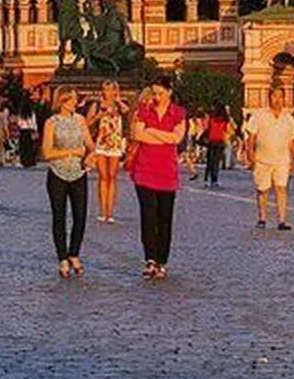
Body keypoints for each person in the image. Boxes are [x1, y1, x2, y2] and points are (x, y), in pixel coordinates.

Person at [129, 74, 187, 278]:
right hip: (144, 170)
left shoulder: (178, 112)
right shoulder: (144, 110)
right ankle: (150, 259)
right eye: (154, 93)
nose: (157, 96)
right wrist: (164, 136)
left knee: (165, 218)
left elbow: (177, 138)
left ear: (170, 92)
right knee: (148, 216)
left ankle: (162, 260)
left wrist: (152, 131)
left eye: (161, 93)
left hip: (167, 173)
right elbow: (137, 134)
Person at [39, 86, 90, 278]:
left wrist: (91, 153)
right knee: (59, 216)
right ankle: (62, 258)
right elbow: (47, 152)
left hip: (79, 172)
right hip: (57, 173)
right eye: (71, 100)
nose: (75, 103)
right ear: (62, 101)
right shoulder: (51, 122)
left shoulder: (80, 120)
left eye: (75, 99)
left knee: (80, 215)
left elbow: (89, 144)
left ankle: (74, 253)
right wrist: (70, 152)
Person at [244, 85, 294, 230]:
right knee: (262, 189)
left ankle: (282, 220)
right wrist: (250, 153)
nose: (277, 100)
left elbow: (291, 141)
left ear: (284, 99)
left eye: (280, 97)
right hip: (262, 159)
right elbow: (251, 137)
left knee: (281, 188)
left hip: (282, 159)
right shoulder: (259, 115)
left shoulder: (288, 118)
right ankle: (262, 218)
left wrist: (292, 159)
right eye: (274, 96)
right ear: (269, 97)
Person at [91, 80, 128, 224]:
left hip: (115, 142)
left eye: (110, 89)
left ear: (115, 90)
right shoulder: (97, 104)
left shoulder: (120, 105)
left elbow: (126, 111)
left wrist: (118, 100)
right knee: (103, 176)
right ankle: (102, 210)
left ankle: (110, 212)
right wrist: (98, 116)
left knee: (112, 176)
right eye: (104, 89)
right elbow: (87, 122)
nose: (107, 92)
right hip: (101, 142)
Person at [201, 105, 229, 188]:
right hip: (220, 141)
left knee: (209, 162)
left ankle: (206, 180)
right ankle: (214, 180)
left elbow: (207, 128)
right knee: (216, 163)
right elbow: (225, 131)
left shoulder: (212, 119)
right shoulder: (224, 120)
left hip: (211, 141)